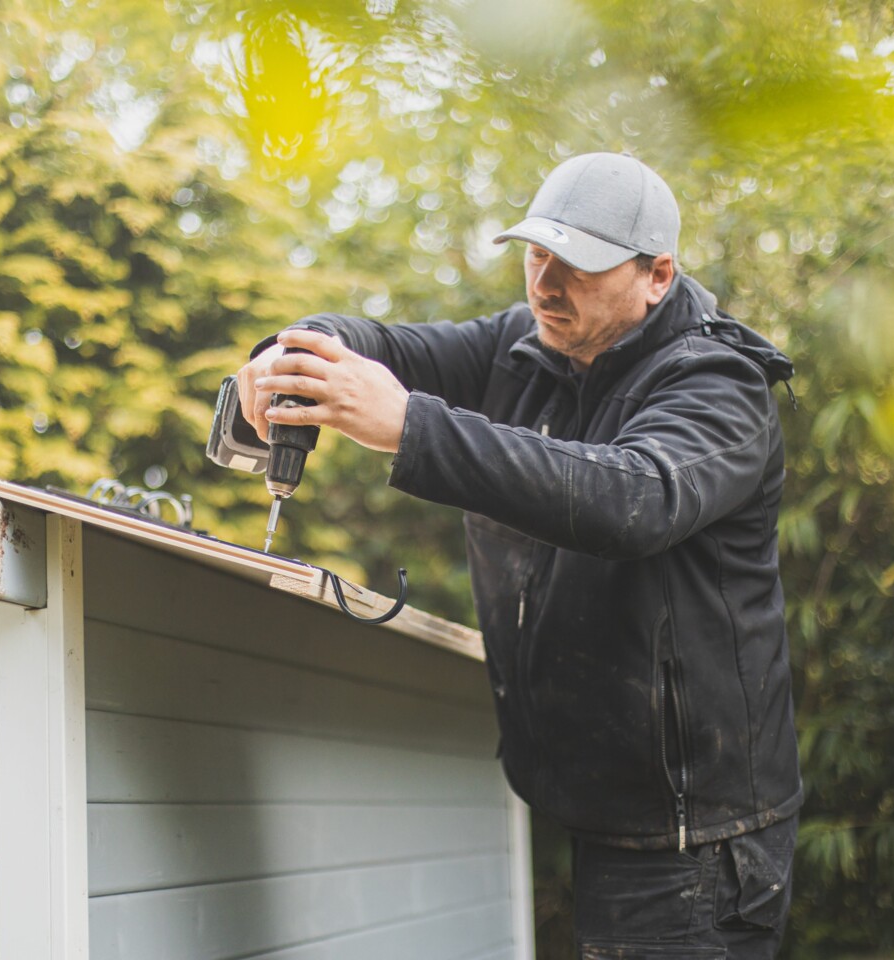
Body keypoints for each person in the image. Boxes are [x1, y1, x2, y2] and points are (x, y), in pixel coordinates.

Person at [237, 152, 802, 958]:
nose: (545, 285)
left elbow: (629, 500)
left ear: (657, 275)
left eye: (577, 267)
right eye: (538, 254)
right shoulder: (525, 346)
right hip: (596, 802)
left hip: (698, 836)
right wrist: (299, 351)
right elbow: (385, 345)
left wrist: (412, 426)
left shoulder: (719, 385)